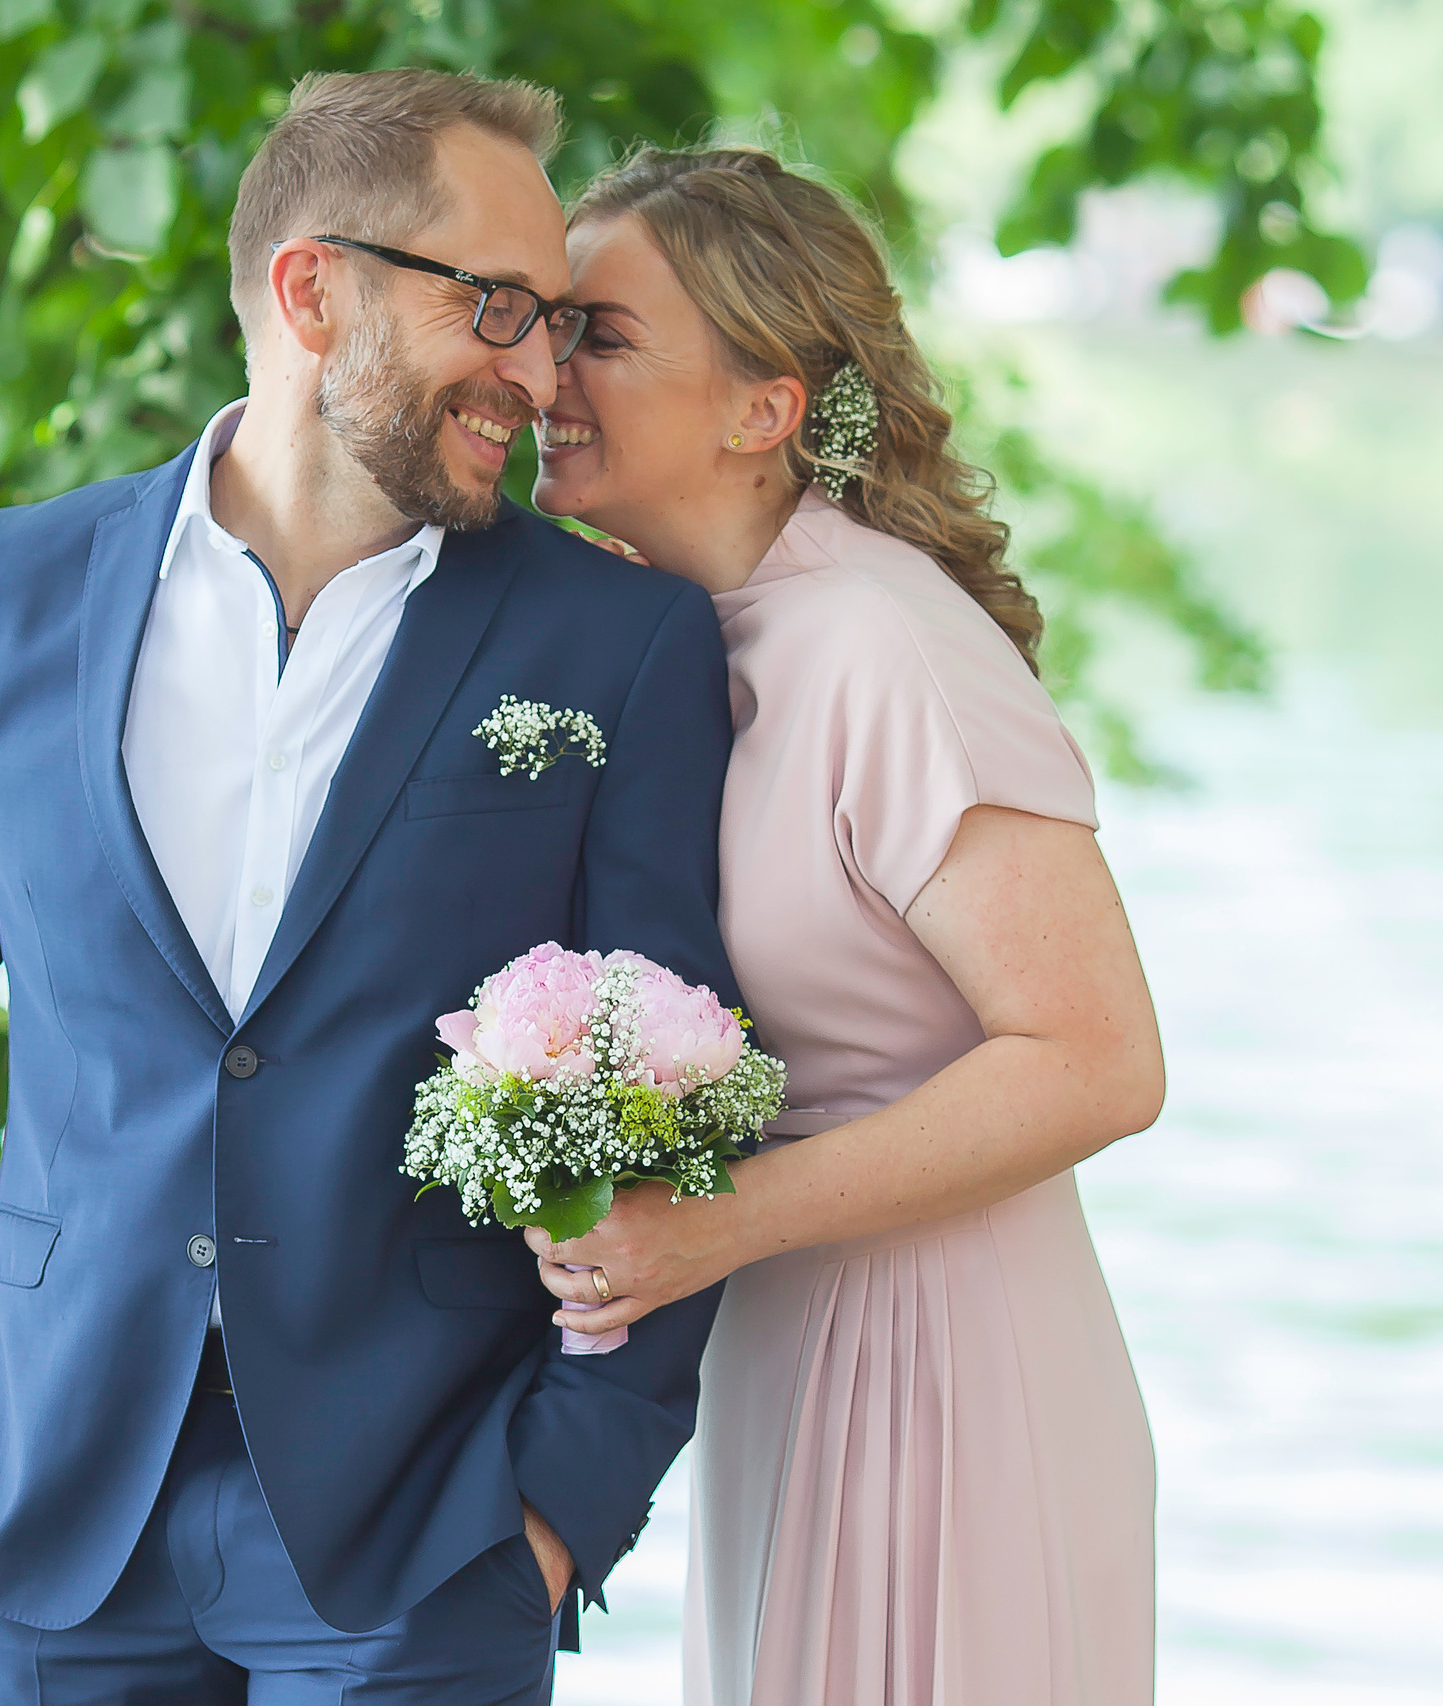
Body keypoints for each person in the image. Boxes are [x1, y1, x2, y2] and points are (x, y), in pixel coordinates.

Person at [0, 72, 744, 1705]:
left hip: (426, 1533)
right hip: (49, 1508)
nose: (540, 375)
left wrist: (559, 1502)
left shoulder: (619, 640)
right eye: (499, 307)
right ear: (315, 291)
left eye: (555, 323)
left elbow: (680, 1093)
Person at [527, 145, 1166, 1705]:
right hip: (788, 1340)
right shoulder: (692, 639)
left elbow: (1099, 1058)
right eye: (550, 325)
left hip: (948, 1370)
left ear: (763, 409)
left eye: (603, 334)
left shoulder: (887, 644)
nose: (545, 371)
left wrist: (719, 1221)